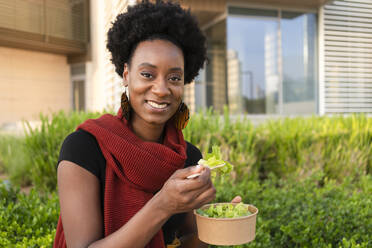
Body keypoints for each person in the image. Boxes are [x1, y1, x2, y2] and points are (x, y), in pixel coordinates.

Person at [54, 1, 241, 247]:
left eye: (174, 77)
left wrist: (216, 229)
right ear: (126, 75)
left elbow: (188, 242)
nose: (162, 89)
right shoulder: (83, 149)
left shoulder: (187, 157)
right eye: (147, 74)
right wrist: (163, 205)